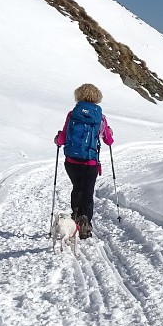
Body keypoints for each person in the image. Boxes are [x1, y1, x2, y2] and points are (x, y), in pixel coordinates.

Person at [54, 84, 114, 239]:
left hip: (71, 161)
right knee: (87, 193)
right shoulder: (100, 117)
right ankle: (85, 223)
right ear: (97, 97)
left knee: (77, 188)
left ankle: (75, 218)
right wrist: (110, 133)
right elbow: (108, 140)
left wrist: (58, 139)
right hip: (90, 163)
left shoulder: (73, 114)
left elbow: (64, 135)